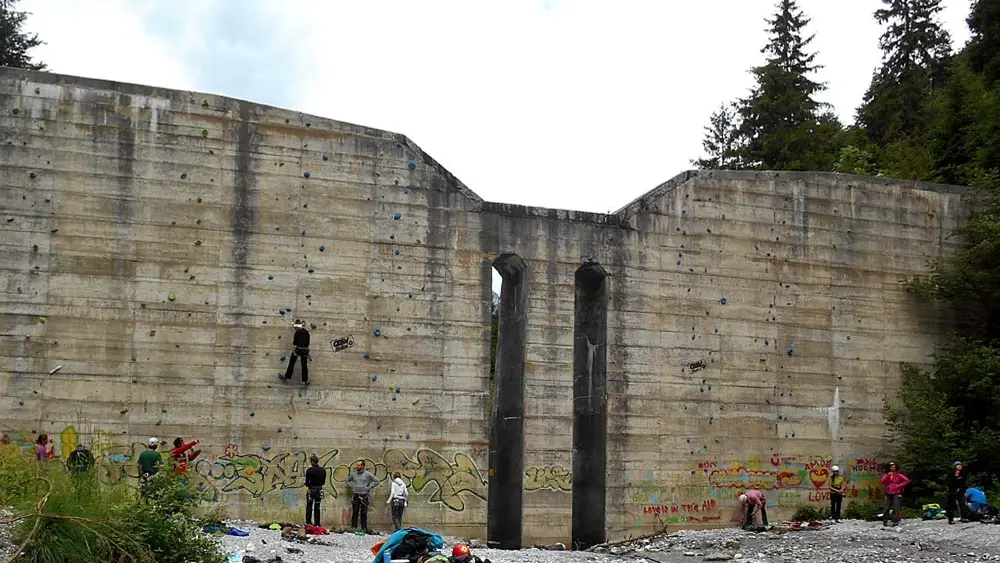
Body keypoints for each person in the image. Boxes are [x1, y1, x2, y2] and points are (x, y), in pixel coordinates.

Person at [347, 460, 378, 533]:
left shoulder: (367, 474)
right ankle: (353, 527)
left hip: (364, 495)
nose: (357, 466)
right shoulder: (353, 474)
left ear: (363, 466)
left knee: (364, 512)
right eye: (357, 465)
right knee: (355, 511)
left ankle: (364, 527)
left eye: (358, 465)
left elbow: (376, 481)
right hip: (356, 495)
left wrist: (369, 487)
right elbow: (348, 480)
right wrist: (353, 486)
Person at [880, 462, 910, 526]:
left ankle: (895, 521)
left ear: (896, 468)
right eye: (891, 467)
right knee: (886, 507)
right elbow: (882, 481)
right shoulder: (886, 474)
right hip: (888, 492)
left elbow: (907, 480)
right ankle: (885, 520)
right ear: (889, 468)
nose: (893, 468)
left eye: (894, 467)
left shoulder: (898, 475)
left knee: (896, 507)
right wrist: (888, 475)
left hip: (896, 492)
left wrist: (899, 486)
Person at [282, 319, 311, 385]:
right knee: (304, 365)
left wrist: (294, 351)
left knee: (292, 363)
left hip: (298, 350)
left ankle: (287, 376)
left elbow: (295, 343)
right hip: (305, 351)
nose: (295, 329)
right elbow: (308, 343)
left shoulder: (297, 333)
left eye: (295, 328)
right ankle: (305, 381)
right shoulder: (307, 333)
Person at [305, 454, 327, 526]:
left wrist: (309, 485)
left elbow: (307, 482)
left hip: (311, 490)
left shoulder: (309, 470)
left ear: (312, 461)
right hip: (319, 490)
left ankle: (308, 522)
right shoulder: (323, 470)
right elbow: (323, 482)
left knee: (309, 506)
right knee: (317, 506)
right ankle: (317, 523)